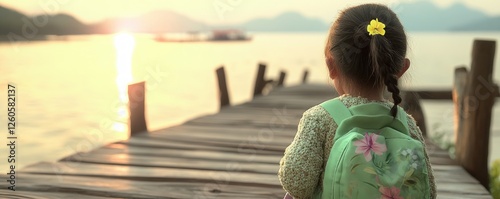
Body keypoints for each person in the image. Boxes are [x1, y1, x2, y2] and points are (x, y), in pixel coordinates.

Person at [278, 4, 436, 199]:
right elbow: (429, 191)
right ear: (401, 69)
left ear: (331, 65)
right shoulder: (407, 123)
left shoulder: (319, 118)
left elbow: (296, 182)